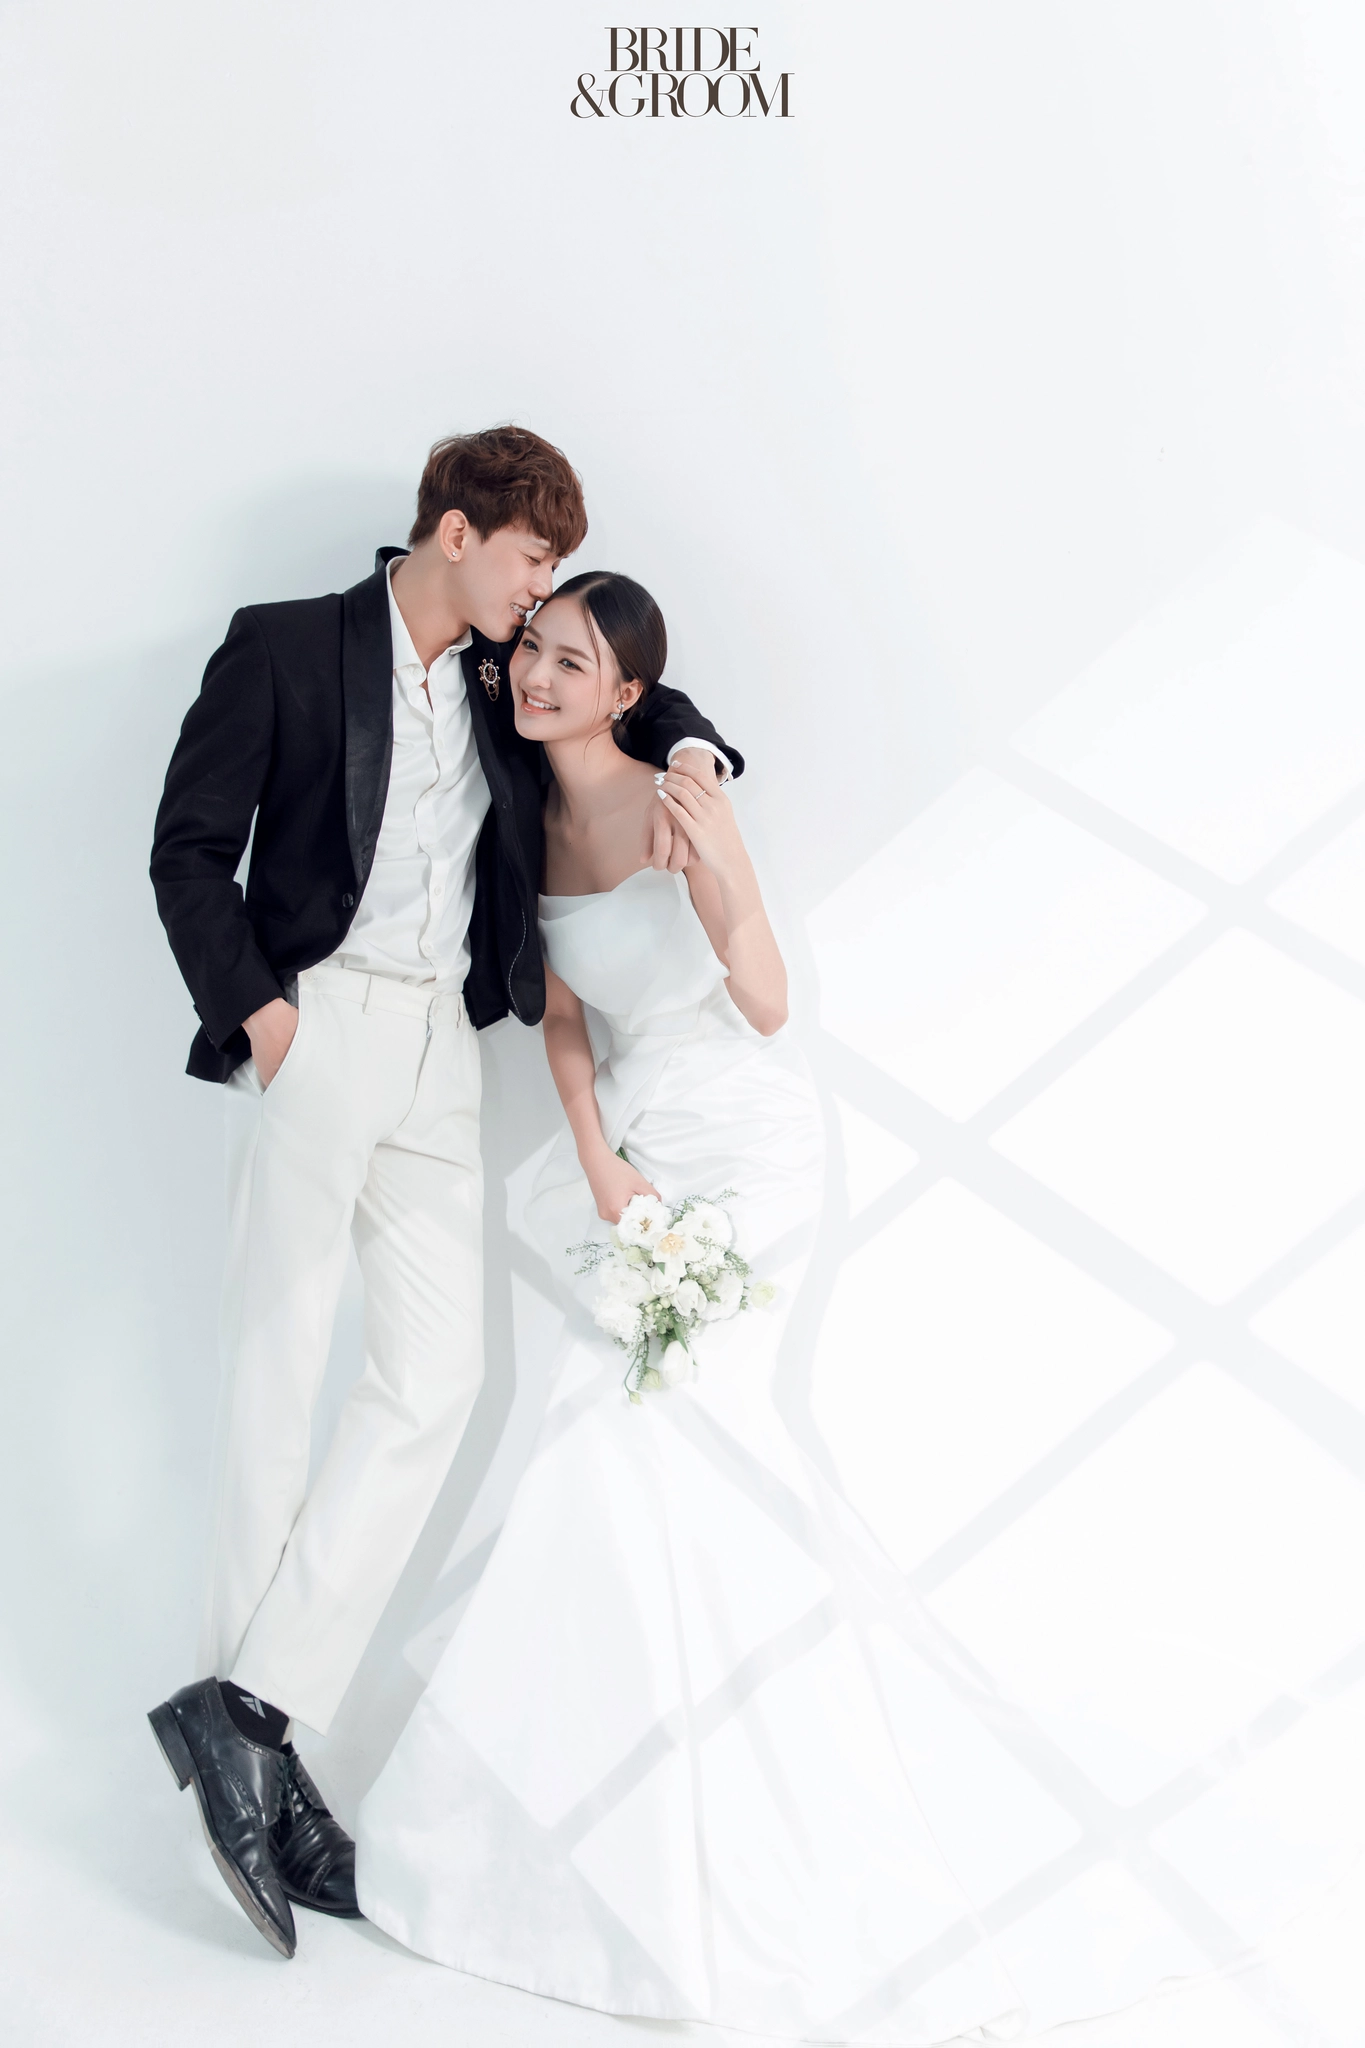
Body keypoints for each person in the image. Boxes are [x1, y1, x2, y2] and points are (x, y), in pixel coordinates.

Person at [354, 575, 1027, 2042]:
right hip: (638, 1146)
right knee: (615, 1455)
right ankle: (586, 1814)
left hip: (745, 1145)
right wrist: (599, 1163)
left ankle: (707, 1809)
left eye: (573, 662)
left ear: (627, 695)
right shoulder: (521, 820)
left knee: (649, 1440)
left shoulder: (680, 792)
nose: (539, 675)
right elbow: (564, 1015)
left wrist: (715, 862)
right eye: (534, 649)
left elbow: (771, 1005)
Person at [145, 433, 740, 1960]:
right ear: (459, 534)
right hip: (320, 1026)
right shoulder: (285, 647)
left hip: (438, 1057)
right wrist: (264, 1017)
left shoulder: (499, 676)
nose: (543, 598)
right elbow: (188, 850)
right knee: (279, 1376)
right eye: (534, 563)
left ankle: (246, 1715)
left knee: (437, 1377)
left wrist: (696, 753)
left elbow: (641, 694)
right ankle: (258, 1768)